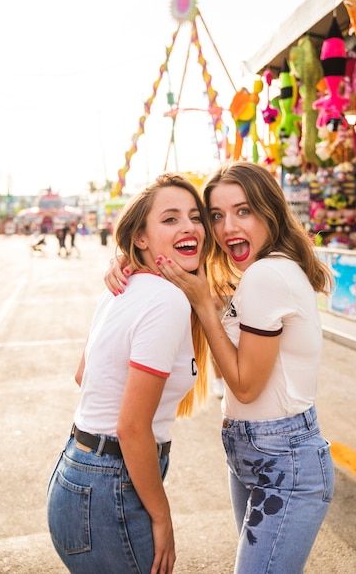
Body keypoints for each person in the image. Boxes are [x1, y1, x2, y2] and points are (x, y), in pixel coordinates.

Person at [105, 161, 335, 574]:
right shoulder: (256, 273)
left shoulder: (267, 274)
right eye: (216, 215)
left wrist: (201, 305)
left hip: (282, 459)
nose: (228, 227)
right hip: (254, 453)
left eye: (243, 211)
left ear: (270, 211)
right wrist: (132, 262)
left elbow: (246, 386)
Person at [47, 172, 212, 574]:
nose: (189, 227)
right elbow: (132, 428)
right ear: (141, 237)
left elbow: (83, 376)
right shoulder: (165, 300)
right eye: (170, 219)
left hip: (77, 475)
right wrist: (162, 517)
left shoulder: (123, 286)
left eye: (195, 216)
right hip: (110, 486)